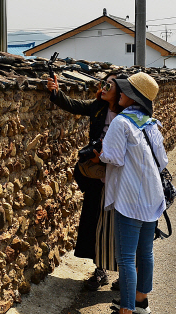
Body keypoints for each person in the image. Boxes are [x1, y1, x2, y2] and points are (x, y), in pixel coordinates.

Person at [46, 72, 124, 290]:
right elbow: (73, 105)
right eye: (104, 83)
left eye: (110, 84)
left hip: (120, 176)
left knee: (118, 225)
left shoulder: (129, 112)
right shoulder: (98, 106)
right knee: (96, 222)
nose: (105, 87)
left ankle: (123, 274)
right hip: (98, 175)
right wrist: (55, 92)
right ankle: (100, 270)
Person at [98, 72, 166, 314]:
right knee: (145, 252)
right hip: (152, 196)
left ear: (132, 97)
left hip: (129, 199)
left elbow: (113, 157)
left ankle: (126, 310)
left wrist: (100, 154)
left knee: (126, 257)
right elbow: (163, 161)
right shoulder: (151, 123)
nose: (122, 93)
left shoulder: (121, 123)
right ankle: (140, 303)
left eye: (126, 90)